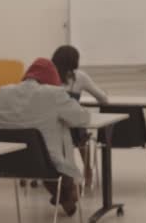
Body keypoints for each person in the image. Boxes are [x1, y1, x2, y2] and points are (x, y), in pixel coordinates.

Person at [0, 58, 90, 216]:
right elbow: (83, 119)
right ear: (52, 80)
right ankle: (67, 195)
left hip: (10, 164)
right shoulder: (54, 94)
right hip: (48, 165)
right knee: (62, 168)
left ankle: (64, 196)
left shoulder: (4, 92)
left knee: (46, 160)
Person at [52, 45, 108, 187]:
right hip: (74, 130)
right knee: (80, 131)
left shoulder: (49, 76)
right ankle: (87, 172)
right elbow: (103, 99)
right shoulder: (79, 77)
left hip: (51, 130)